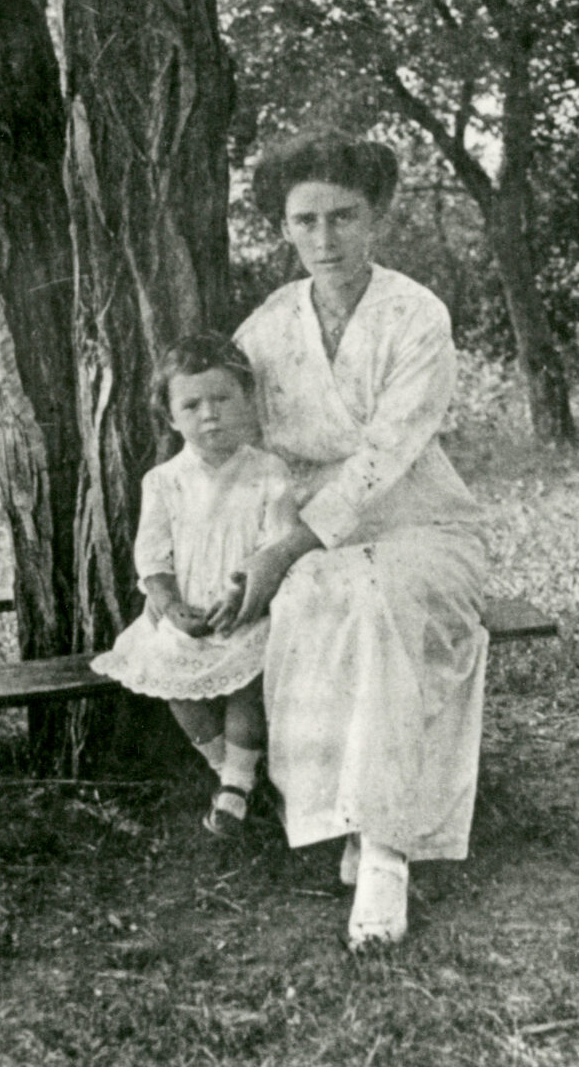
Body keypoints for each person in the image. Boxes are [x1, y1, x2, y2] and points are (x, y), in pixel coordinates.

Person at [208, 129, 489, 948]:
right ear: (284, 228)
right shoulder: (266, 327)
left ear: (377, 218)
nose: (324, 240)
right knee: (325, 600)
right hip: (308, 536)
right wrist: (253, 544)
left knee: (377, 595)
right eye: (306, 221)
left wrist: (288, 546)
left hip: (421, 524)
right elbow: (244, 448)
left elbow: (385, 455)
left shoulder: (415, 315)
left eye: (344, 217)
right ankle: (355, 822)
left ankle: (386, 853)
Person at [91, 333, 299, 838]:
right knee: (168, 670)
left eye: (223, 399)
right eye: (192, 404)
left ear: (247, 401)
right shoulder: (164, 481)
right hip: (187, 610)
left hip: (247, 607)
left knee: (249, 680)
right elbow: (152, 554)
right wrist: (168, 603)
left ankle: (238, 783)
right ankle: (230, 771)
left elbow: (279, 543)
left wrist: (246, 595)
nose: (210, 415)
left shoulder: (269, 472)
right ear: (170, 417)